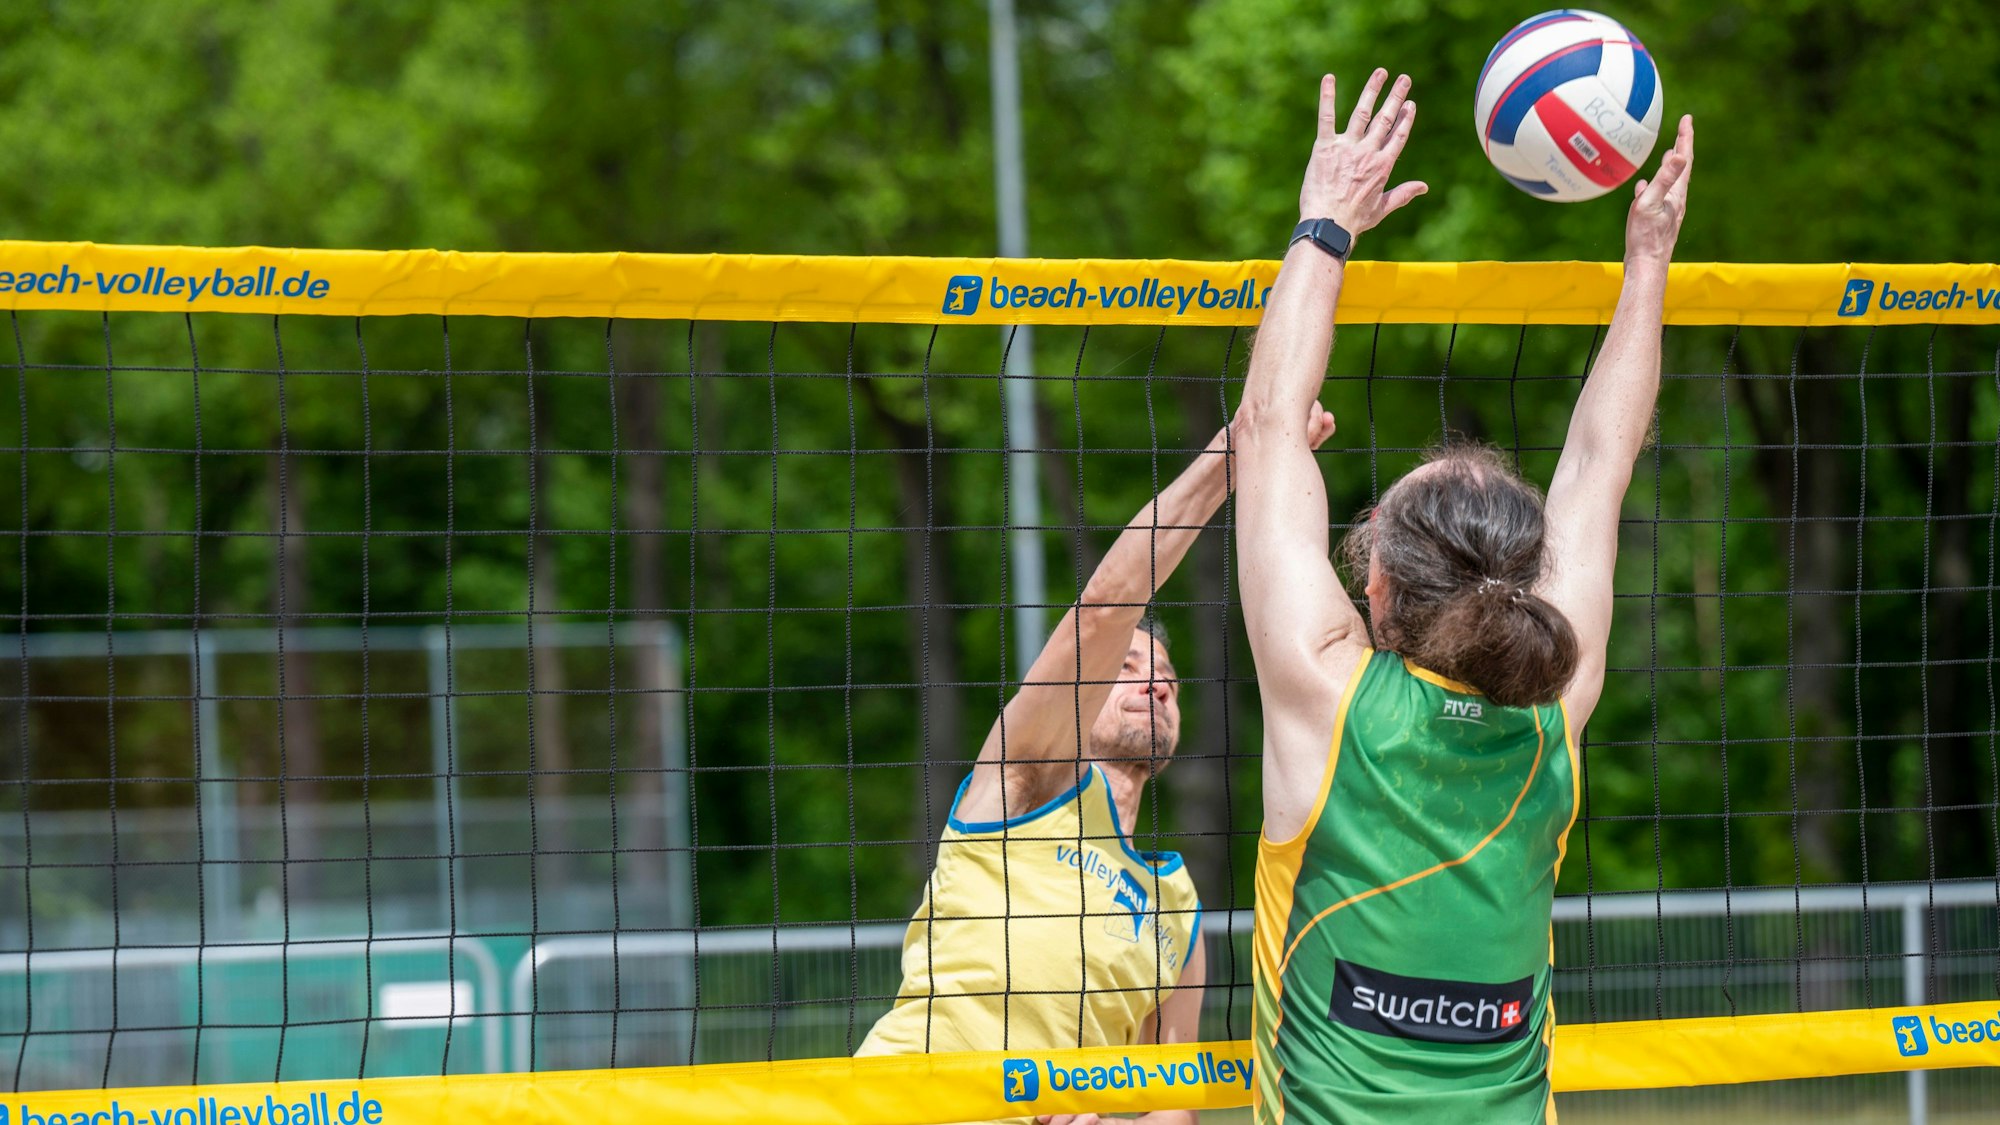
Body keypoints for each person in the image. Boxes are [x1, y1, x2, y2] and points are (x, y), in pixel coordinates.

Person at [1230, 69, 1694, 1123]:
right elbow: (1599, 462)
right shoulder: (1548, 722)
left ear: (1375, 582)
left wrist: (1324, 222)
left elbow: (1267, 428)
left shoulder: (1327, 698)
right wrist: (1645, 264)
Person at [857, 405, 1338, 1125]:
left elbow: (1172, 1102)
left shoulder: (1175, 906)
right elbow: (1105, 608)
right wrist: (1232, 460)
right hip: (906, 1105)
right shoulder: (1027, 780)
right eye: (1133, 665)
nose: (1158, 681)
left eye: (1169, 675)